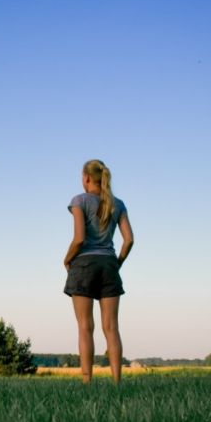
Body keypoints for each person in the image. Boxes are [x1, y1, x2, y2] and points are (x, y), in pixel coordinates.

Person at [63, 159, 134, 384]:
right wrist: (117, 263)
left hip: (83, 264)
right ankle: (117, 383)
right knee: (111, 327)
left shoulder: (79, 201)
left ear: (86, 178)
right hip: (109, 265)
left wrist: (66, 259)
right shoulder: (118, 204)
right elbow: (129, 240)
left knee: (85, 326)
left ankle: (87, 383)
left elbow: (79, 239)